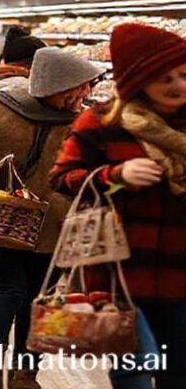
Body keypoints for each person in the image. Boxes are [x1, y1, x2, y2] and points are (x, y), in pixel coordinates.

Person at [0, 47, 104, 389]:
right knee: (9, 288)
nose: (86, 94)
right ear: (57, 85)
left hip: (55, 225)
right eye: (81, 86)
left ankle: (26, 373)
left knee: (36, 298)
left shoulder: (84, 121)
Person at [51, 23, 186, 389]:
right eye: (164, 77)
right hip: (120, 271)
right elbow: (62, 177)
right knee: (134, 369)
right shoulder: (101, 122)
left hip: (181, 271)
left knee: (179, 371)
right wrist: (113, 175)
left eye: (183, 74)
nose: (178, 85)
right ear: (136, 80)